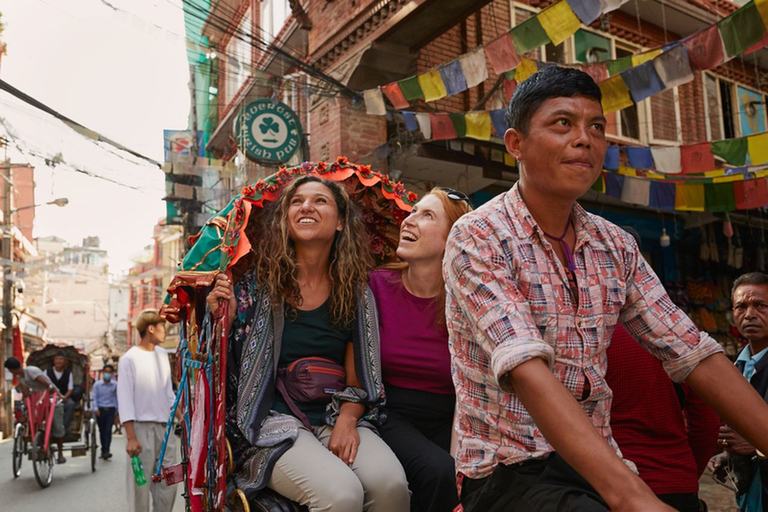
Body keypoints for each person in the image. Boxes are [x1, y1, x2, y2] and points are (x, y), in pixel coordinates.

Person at [443, 65, 768, 512]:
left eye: (596, 126)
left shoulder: (616, 245)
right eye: (563, 123)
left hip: (600, 461)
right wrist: (634, 499)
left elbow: (690, 350)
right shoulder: (477, 235)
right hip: (511, 470)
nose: (585, 139)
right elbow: (524, 366)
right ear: (516, 144)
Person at [207, 175, 410, 511]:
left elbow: (360, 377)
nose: (307, 207)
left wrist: (347, 419)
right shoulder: (254, 287)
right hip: (270, 423)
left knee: (392, 487)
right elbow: (225, 374)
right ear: (285, 219)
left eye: (320, 200)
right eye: (297, 201)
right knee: (341, 495)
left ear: (341, 221)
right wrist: (224, 321)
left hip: (336, 416)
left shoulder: (356, 291)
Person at [369, 187, 473, 512]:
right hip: (390, 412)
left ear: (452, 239)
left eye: (427, 215)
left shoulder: (468, 299)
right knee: (436, 470)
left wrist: (462, 459)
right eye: (413, 211)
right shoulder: (376, 286)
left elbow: (467, 390)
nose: (409, 220)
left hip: (452, 415)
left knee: (476, 478)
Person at [606, 324, 719, 512]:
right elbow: (707, 423)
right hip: (676, 482)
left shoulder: (590, 337)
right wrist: (685, 473)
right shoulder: (682, 334)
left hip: (611, 485)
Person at [710, 272, 768, 510]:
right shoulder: (738, 366)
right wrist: (730, 456)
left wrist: (757, 445)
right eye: (741, 306)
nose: (750, 314)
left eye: (760, 305)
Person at [117, 309, 177, 512]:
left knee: (169, 484)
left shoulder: (162, 355)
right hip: (141, 430)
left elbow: (169, 394)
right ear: (151, 328)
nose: (165, 332)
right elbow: (124, 400)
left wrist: (185, 421)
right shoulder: (129, 359)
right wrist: (131, 437)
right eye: (162, 327)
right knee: (140, 487)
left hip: (166, 429)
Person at [4, 356, 68, 463]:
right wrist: (25, 406)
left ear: (12, 369)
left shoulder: (31, 371)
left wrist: (59, 395)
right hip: (38, 400)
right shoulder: (20, 378)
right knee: (33, 421)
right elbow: (26, 394)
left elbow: (47, 385)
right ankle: (39, 443)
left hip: (51, 397)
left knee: (57, 424)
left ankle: (60, 453)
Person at [92, 364, 119, 459]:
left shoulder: (115, 385)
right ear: (103, 373)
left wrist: (117, 410)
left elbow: (117, 397)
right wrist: (95, 408)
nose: (107, 374)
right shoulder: (97, 385)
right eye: (106, 372)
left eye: (109, 372)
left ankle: (107, 450)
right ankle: (103, 449)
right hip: (100, 410)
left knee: (108, 430)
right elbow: (94, 397)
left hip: (111, 409)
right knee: (102, 431)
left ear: (112, 374)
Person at [47, 349, 76, 436]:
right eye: (57, 359)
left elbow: (70, 389)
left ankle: (63, 427)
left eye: (61, 359)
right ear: (54, 360)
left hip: (64, 397)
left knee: (71, 405)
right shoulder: (47, 372)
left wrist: (64, 397)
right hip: (50, 397)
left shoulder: (68, 373)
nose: (59, 361)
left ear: (65, 361)